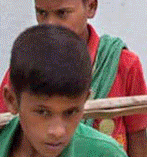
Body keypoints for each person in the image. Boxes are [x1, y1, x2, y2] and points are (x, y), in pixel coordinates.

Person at [0, 0, 147, 157]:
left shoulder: (122, 64)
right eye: (41, 13)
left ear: (91, 7)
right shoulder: (26, 68)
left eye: (62, 13)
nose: (50, 24)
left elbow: (140, 145)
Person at [1, 24, 127, 157]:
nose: (58, 132)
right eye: (42, 112)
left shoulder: (105, 154)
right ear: (12, 100)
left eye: (71, 112)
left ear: (85, 100)